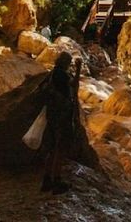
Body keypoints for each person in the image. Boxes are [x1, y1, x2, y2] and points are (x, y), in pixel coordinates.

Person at [41, 51, 80, 194]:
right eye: (69, 62)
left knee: (51, 148)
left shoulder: (52, 73)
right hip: (62, 115)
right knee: (60, 149)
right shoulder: (62, 75)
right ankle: (56, 180)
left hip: (52, 114)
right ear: (65, 62)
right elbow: (74, 86)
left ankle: (46, 180)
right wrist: (79, 69)